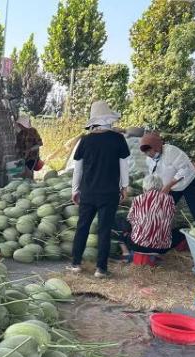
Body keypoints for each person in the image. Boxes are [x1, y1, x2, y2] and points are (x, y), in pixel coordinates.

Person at [68, 101, 130, 278]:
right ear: (108, 119)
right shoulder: (118, 139)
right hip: (109, 193)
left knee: (82, 228)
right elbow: (124, 166)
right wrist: (124, 187)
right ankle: (100, 269)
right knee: (104, 230)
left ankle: (76, 264)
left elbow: (77, 168)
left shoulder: (85, 140)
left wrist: (75, 190)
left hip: (88, 192)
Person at [139, 132, 195, 229]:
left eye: (149, 150)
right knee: (161, 210)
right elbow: (154, 175)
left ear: (156, 146)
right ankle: (160, 234)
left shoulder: (171, 151)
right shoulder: (149, 160)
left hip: (190, 183)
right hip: (172, 187)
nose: (147, 154)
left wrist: (168, 186)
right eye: (145, 152)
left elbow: (185, 169)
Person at [114, 174, 184, 259]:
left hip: (137, 246)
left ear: (144, 187)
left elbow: (130, 219)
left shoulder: (138, 199)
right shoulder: (169, 199)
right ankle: (156, 253)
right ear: (160, 187)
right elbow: (171, 219)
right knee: (183, 230)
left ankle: (125, 253)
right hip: (162, 248)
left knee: (118, 221)